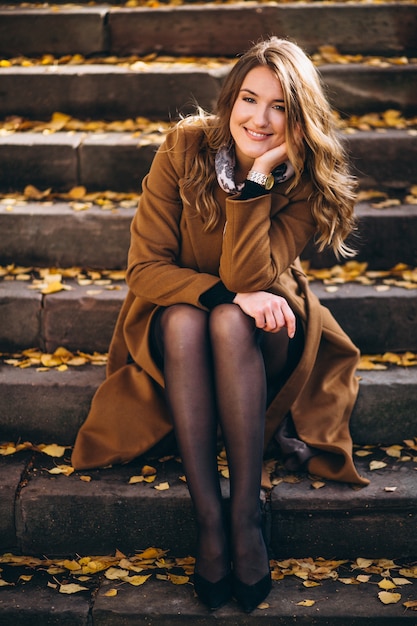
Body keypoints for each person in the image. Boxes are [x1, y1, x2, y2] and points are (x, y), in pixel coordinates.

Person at [71, 37, 369, 613]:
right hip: (177, 320)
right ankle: (209, 517)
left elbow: (249, 272)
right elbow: (144, 268)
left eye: (279, 106)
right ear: (230, 98)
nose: (259, 119)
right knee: (188, 320)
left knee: (233, 323)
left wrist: (257, 179)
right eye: (249, 99)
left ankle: (246, 512)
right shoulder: (184, 147)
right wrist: (225, 295)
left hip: (267, 329)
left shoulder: (303, 177)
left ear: (299, 115)